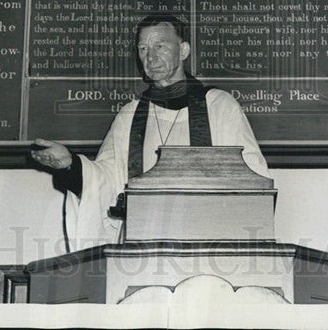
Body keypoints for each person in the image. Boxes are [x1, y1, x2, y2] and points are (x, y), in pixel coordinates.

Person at [31, 13, 269, 245]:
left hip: (207, 239)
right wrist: (71, 165)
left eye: (160, 46)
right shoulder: (130, 115)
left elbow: (252, 176)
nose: (150, 57)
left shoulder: (219, 106)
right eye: (143, 49)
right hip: (144, 242)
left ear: (183, 50)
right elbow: (107, 181)